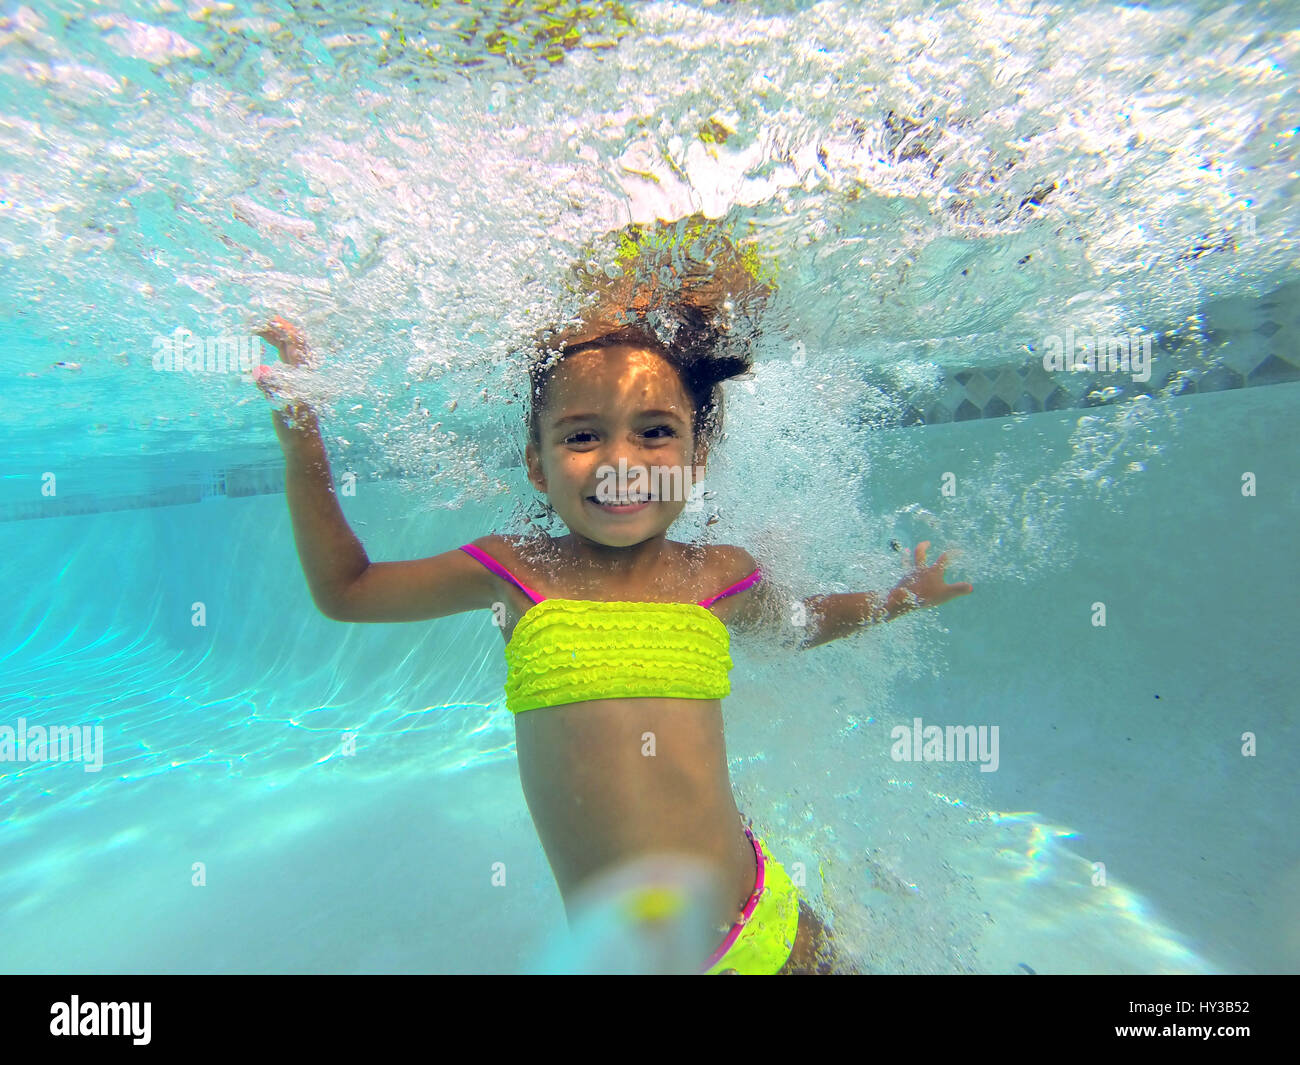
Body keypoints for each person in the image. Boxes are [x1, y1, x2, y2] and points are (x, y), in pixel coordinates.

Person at [253, 219, 973, 974]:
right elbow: (348, 590)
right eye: (581, 436)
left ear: (697, 456)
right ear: (537, 464)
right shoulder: (513, 572)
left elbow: (799, 621)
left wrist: (899, 598)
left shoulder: (718, 575)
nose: (621, 462)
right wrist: (302, 439)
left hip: (764, 926)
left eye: (655, 431)